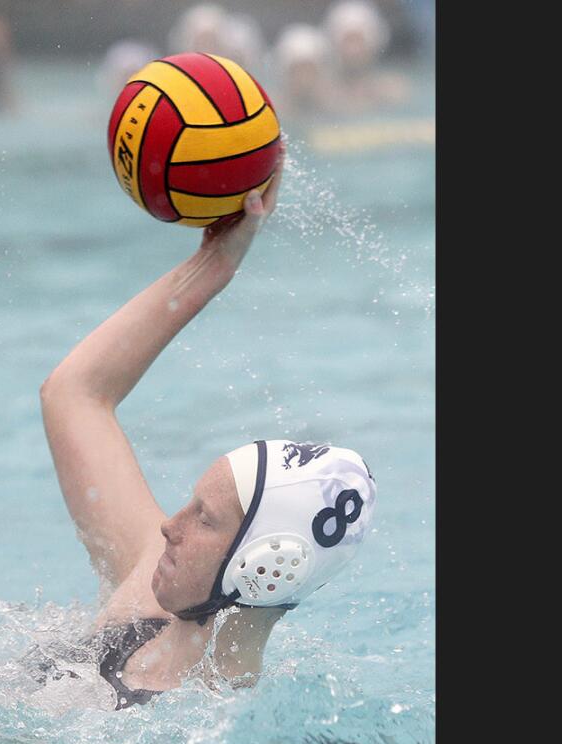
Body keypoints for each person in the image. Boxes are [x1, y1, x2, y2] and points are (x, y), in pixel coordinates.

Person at [33, 156, 377, 710]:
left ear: (265, 566)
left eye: (205, 519)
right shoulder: (146, 597)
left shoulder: (200, 730)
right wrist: (216, 262)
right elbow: (74, 394)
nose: (168, 526)